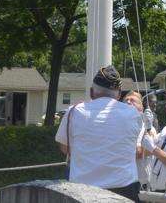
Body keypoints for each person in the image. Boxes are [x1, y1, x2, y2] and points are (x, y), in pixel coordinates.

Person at [55, 65, 143, 200]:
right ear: (119, 95)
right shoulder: (133, 114)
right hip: (124, 191)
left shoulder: (74, 111)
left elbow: (65, 148)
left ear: (91, 92)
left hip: (82, 192)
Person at [122, 90, 156, 191]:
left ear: (141, 107)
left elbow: (141, 152)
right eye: (126, 100)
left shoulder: (148, 128)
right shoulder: (117, 125)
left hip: (142, 184)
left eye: (132, 100)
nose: (128, 102)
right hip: (122, 181)